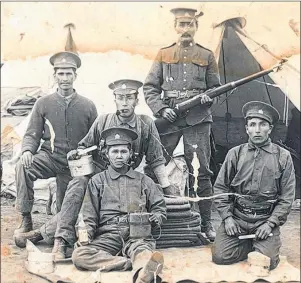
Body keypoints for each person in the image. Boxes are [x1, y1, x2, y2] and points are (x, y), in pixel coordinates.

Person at [14, 79, 172, 260]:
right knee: (79, 184)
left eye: (129, 98)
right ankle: (60, 242)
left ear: (137, 100)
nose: (125, 102)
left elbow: (156, 159)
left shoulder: (146, 124)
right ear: (115, 99)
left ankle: (39, 234)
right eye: (120, 98)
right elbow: (85, 146)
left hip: (126, 177)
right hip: (98, 174)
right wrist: (77, 152)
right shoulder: (103, 120)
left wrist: (167, 188)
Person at [143, 7, 221, 241]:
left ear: (196, 27)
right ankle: (154, 219)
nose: (185, 29)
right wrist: (161, 109)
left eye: (190, 25)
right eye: (181, 24)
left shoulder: (207, 55)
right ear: (175, 27)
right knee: (156, 165)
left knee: (201, 171)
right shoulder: (163, 53)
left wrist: (208, 97)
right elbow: (149, 87)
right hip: (170, 119)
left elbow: (214, 88)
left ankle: (205, 224)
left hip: (197, 119)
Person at [14, 51, 98, 235]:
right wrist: (28, 150)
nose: (65, 78)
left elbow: (95, 139)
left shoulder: (88, 105)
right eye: (61, 73)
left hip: (74, 166)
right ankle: (26, 217)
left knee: (63, 217)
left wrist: (84, 157)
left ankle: (56, 201)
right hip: (50, 157)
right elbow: (32, 133)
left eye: (69, 73)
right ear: (54, 76)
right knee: (23, 166)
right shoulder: (43, 103)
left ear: (75, 76)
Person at [71, 127, 166, 283]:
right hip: (109, 234)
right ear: (106, 154)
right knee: (79, 255)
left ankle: (143, 271)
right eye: (115, 152)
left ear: (130, 154)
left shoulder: (144, 180)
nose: (119, 156)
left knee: (142, 251)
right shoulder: (97, 181)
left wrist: (156, 218)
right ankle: (128, 263)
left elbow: (159, 207)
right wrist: (84, 236)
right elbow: (88, 215)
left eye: (123, 151)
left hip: (137, 234)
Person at [212, 101, 296, 270]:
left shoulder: (283, 156)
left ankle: (262, 244)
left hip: (264, 220)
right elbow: (221, 189)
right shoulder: (235, 154)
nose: (257, 130)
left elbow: (287, 198)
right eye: (253, 124)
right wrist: (228, 218)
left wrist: (270, 223)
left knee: (268, 263)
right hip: (238, 218)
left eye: (263, 124)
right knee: (220, 257)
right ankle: (252, 245)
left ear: (270, 129)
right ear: (247, 129)